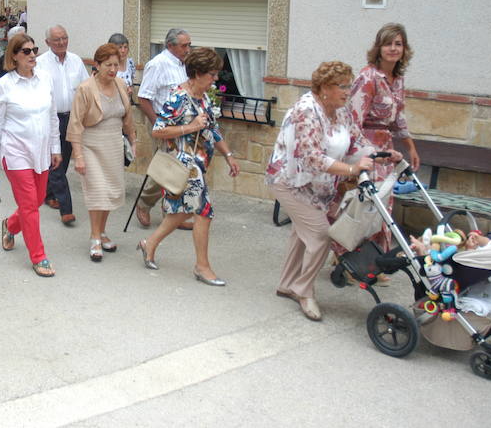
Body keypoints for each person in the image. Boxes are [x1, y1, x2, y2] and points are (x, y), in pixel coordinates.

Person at [266, 61, 402, 321]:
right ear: (324, 87)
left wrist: (382, 155)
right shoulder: (305, 111)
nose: (347, 91)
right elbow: (310, 158)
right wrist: (352, 171)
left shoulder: (341, 111)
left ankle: (286, 284)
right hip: (289, 180)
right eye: (341, 86)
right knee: (319, 235)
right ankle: (303, 290)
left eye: (349, 85)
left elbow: (356, 143)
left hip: (317, 185)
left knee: (301, 233)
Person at [136, 48, 240, 286]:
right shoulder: (179, 97)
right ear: (197, 73)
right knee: (204, 212)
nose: (215, 79)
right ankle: (202, 267)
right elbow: (158, 130)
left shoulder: (203, 97)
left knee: (182, 211)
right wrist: (190, 127)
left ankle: (149, 244)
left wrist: (229, 155)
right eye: (212, 74)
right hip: (185, 165)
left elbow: (212, 129)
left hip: (199, 165)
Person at [339, 22, 420, 255]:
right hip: (367, 148)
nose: (393, 48)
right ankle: (351, 259)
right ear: (379, 48)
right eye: (388, 43)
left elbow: (399, 119)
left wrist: (411, 148)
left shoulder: (397, 79)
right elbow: (352, 121)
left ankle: (375, 261)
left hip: (386, 148)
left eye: (398, 44)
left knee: (383, 206)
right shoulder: (368, 77)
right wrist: (365, 154)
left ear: (404, 49)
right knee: (365, 205)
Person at [0, 33, 62, 277]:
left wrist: (55, 148)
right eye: (26, 51)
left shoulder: (45, 79)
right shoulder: (4, 85)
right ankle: (38, 256)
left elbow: (52, 116)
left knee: (38, 198)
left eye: (34, 50)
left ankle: (9, 226)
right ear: (14, 56)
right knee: (30, 205)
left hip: (40, 152)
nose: (32, 55)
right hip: (15, 152)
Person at [67, 44, 136, 262]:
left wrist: (133, 142)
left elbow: (128, 118)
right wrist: (77, 155)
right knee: (97, 191)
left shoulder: (121, 84)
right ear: (96, 65)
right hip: (91, 145)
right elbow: (75, 124)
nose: (113, 69)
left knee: (111, 192)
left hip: (114, 145)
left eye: (116, 64)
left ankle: (103, 231)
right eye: (108, 65)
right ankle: (95, 237)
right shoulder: (86, 88)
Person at [135, 28, 192, 229]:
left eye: (189, 44)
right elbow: (143, 97)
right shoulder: (157, 65)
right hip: (165, 125)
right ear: (170, 46)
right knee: (164, 170)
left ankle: (173, 212)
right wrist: (157, 123)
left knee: (182, 170)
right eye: (184, 45)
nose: (188, 49)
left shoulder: (184, 65)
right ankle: (144, 203)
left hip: (185, 125)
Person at [35, 25, 90, 226]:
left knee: (64, 159)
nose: (61, 42)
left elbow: (86, 87)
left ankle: (49, 194)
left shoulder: (76, 61)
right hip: (50, 118)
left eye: (64, 38)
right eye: (57, 39)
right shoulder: (40, 63)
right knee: (56, 163)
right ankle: (66, 209)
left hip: (73, 117)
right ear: (48, 42)